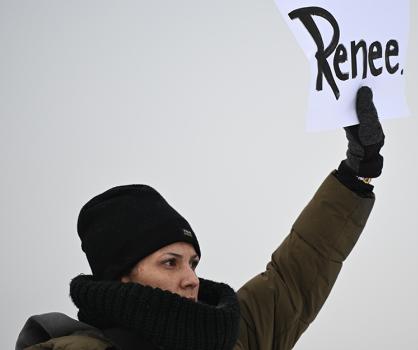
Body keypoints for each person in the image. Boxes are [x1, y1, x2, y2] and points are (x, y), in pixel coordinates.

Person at [15, 86, 385, 350]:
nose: (190, 279)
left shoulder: (231, 334)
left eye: (192, 262)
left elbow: (302, 270)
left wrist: (356, 174)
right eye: (169, 263)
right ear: (122, 276)